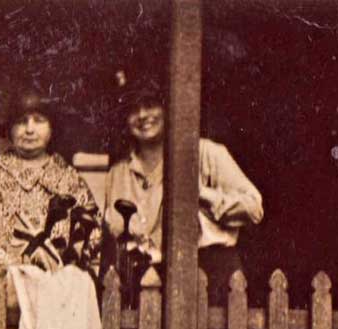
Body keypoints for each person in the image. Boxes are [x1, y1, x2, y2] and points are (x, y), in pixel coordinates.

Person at [102, 80, 263, 303]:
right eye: (132, 109)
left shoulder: (206, 153)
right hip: (147, 286)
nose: (142, 115)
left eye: (150, 104)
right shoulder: (117, 173)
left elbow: (254, 207)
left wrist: (201, 194)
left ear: (169, 106)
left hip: (210, 278)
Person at [0, 88, 100, 274]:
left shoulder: (70, 179)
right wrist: (1, 263)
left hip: (57, 286)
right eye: (21, 122)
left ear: (52, 128)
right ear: (9, 130)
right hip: (6, 284)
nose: (29, 129)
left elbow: (93, 230)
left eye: (39, 121)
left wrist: (67, 264)